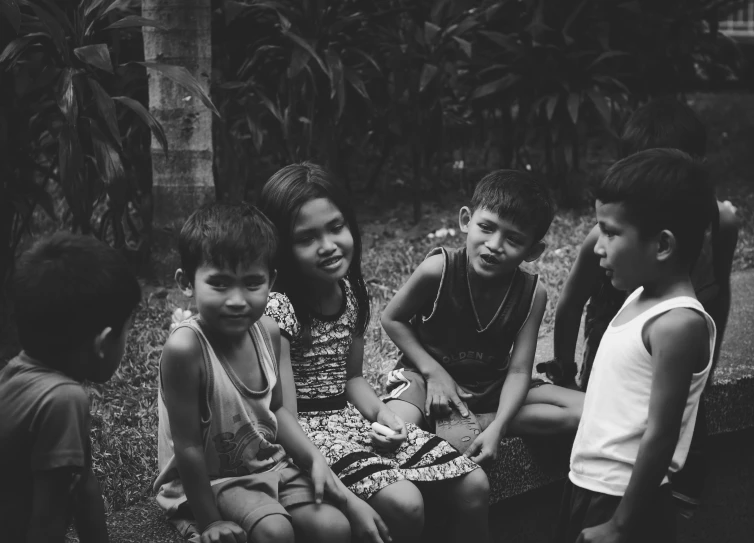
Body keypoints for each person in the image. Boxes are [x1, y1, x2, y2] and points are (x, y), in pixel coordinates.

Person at [259, 162, 490, 543]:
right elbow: (281, 410)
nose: (328, 245)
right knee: (405, 503)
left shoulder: (349, 292)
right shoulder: (279, 309)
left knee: (474, 484)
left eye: (336, 227)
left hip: (352, 421)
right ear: (281, 247)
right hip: (304, 436)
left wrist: (383, 413)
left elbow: (350, 379)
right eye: (306, 238)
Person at [548, 97, 739, 517]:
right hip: (613, 335)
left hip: (668, 347)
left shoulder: (719, 224)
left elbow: (718, 290)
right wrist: (564, 368)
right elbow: (571, 301)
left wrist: (708, 363)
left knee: (675, 432)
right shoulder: (612, 244)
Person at [154, 203, 351, 543]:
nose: (237, 300)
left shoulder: (268, 331)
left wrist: (314, 459)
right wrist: (210, 522)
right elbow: (187, 447)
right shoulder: (186, 349)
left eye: (252, 283)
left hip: (266, 465)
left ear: (270, 281)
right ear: (186, 283)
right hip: (211, 480)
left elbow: (275, 410)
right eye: (219, 284)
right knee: (276, 532)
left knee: (335, 528)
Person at [381, 170, 584, 468]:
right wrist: (433, 372)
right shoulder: (439, 270)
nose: (495, 244)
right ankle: (441, 416)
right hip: (425, 378)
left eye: (513, 239)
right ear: (466, 220)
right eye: (487, 227)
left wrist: (498, 426)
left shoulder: (532, 293)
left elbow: (518, 372)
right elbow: (391, 318)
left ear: (534, 251)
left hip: (492, 387)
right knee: (398, 428)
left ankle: (479, 421)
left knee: (588, 410)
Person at [550, 97, 739, 390]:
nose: (659, 192)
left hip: (676, 364)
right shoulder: (604, 241)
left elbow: (720, 296)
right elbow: (570, 304)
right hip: (614, 364)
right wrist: (565, 375)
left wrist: (707, 372)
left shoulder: (720, 224)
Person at [0, 232, 141, 543]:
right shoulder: (62, 399)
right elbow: (48, 519)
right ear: (103, 343)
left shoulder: (16, 372)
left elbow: (83, 486)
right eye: (127, 333)